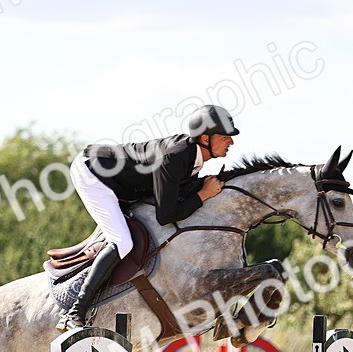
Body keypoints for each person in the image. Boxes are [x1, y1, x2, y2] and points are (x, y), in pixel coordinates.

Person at [57, 104, 239, 331]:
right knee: (123, 241)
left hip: (122, 182)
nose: (231, 141)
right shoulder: (176, 157)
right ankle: (74, 311)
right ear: (205, 138)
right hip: (93, 175)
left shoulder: (191, 157)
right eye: (225, 137)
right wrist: (203, 194)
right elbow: (166, 216)